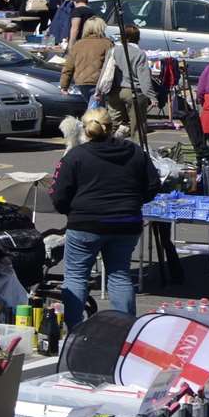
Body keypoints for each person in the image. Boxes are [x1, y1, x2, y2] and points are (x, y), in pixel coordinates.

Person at [50, 109, 161, 324]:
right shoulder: (134, 151)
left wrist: (71, 211)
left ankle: (75, 328)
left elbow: (59, 194)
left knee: (76, 277)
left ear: (85, 129)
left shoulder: (76, 156)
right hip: (125, 222)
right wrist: (134, 202)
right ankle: (125, 328)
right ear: (112, 128)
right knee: (119, 275)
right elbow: (153, 185)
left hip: (85, 222)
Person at [97, 22, 156, 140]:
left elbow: (105, 72)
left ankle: (107, 147)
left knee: (112, 124)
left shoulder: (113, 51)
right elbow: (144, 78)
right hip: (133, 92)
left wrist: (98, 90)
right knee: (137, 126)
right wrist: (152, 97)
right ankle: (138, 151)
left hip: (114, 91)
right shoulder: (139, 54)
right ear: (138, 38)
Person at [60, 16, 113, 103]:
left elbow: (68, 67)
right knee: (97, 110)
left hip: (81, 82)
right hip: (100, 82)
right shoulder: (107, 44)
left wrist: (64, 86)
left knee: (92, 106)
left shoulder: (78, 44)